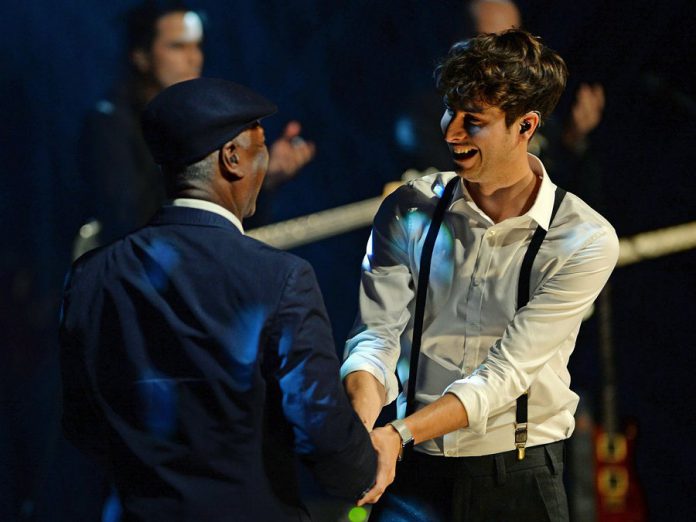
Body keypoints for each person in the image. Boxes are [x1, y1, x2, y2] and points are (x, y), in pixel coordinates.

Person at [60, 77, 376, 522]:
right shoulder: (281, 278)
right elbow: (324, 436)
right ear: (232, 157)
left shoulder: (90, 277)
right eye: (260, 146)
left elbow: (80, 425)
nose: (264, 163)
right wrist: (365, 462)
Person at [341, 29, 619, 520]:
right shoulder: (410, 209)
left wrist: (397, 432)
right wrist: (362, 429)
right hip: (412, 470)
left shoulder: (582, 238)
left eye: (475, 121)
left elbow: (505, 373)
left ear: (525, 125)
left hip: (518, 476)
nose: (451, 132)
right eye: (451, 111)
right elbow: (376, 333)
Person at [79, 1, 315, 248]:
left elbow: (232, 230)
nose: (193, 58)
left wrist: (261, 176)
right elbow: (129, 224)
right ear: (141, 56)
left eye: (198, 46)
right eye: (178, 46)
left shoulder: (207, 121)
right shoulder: (109, 124)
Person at [394, 0, 606, 211]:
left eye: (510, 43)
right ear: (461, 44)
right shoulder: (426, 119)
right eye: (488, 44)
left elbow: (574, 197)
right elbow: (453, 197)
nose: (502, 59)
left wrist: (572, 141)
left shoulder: (532, 109)